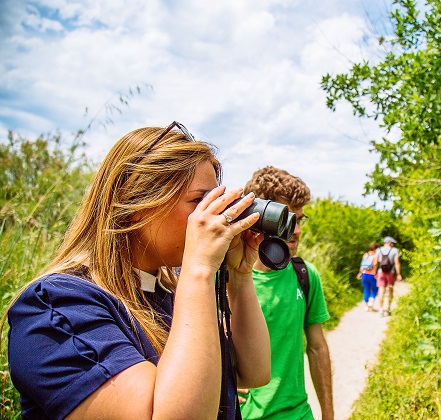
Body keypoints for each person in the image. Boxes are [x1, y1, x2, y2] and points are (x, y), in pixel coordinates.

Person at [5, 122, 271, 419]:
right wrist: (199, 269)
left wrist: (240, 275)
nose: (214, 215)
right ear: (137, 203)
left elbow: (255, 372)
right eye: (200, 201)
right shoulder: (56, 308)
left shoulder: (171, 293)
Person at [238, 166, 333, 420]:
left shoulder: (305, 275)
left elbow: (317, 347)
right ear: (259, 216)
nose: (298, 230)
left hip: (299, 413)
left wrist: (328, 414)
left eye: (300, 220)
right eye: (287, 219)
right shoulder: (222, 280)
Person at [375, 236, 402, 317]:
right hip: (391, 272)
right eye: (392, 243)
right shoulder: (394, 250)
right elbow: (397, 263)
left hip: (381, 272)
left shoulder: (378, 250)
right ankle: (389, 308)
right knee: (390, 290)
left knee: (381, 290)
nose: (393, 244)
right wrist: (398, 274)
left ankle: (380, 309)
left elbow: (376, 262)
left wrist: (375, 272)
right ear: (389, 242)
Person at [356, 242, 379, 312]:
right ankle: (371, 301)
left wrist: (360, 273)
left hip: (364, 274)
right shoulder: (375, 256)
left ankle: (366, 306)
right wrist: (376, 273)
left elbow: (362, 265)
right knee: (375, 289)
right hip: (372, 275)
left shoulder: (365, 255)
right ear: (376, 249)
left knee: (366, 289)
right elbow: (375, 265)